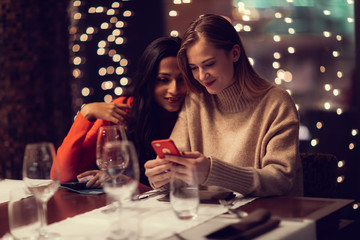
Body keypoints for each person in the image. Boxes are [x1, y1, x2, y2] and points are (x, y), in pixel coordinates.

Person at [145, 14, 303, 197]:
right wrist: (163, 177)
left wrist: (212, 171)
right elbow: (179, 172)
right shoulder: (196, 101)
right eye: (194, 68)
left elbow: (281, 180)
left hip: (267, 217)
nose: (202, 76)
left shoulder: (277, 103)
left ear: (235, 53)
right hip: (210, 216)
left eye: (209, 64)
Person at [51, 36, 186, 188]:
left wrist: (123, 182)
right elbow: (60, 176)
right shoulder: (123, 109)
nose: (174, 90)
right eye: (163, 79)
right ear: (148, 80)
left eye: (182, 79)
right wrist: (85, 114)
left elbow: (183, 187)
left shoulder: (199, 112)